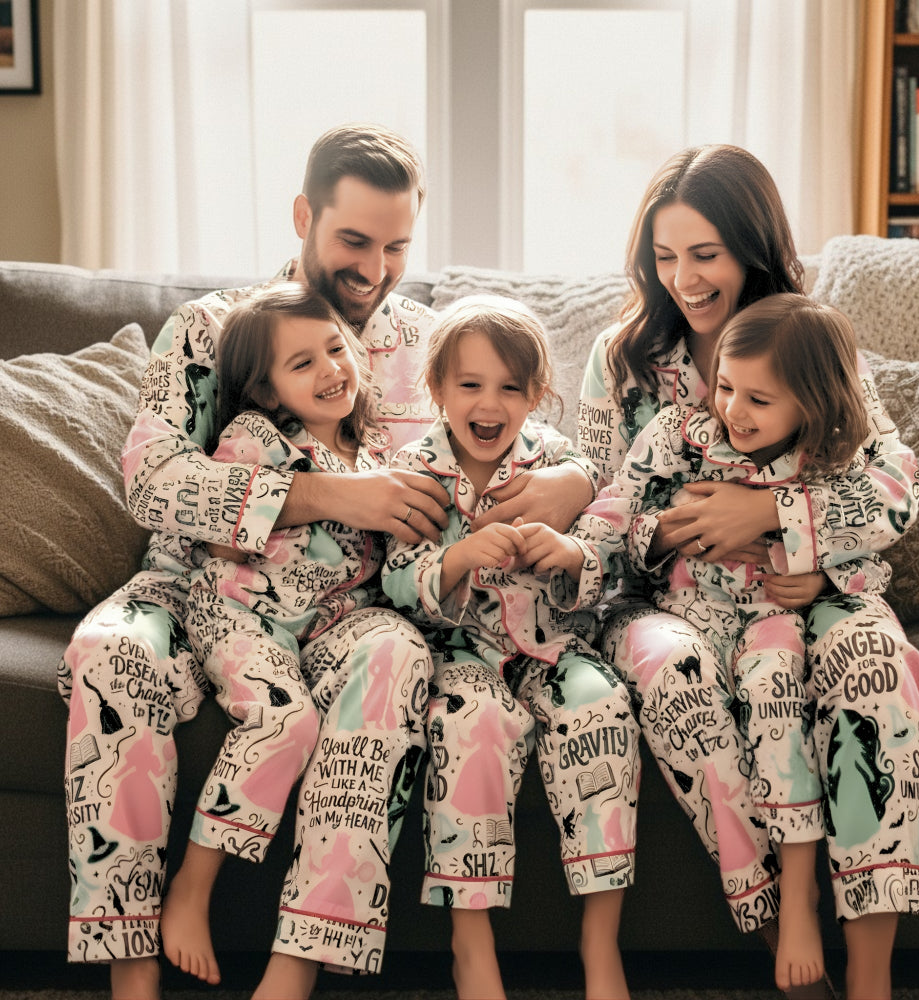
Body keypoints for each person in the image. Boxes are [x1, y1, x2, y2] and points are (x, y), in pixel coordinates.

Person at [60, 122, 596, 1000]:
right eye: (353, 240)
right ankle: (133, 968)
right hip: (200, 586)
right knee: (108, 653)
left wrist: (572, 481)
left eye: (396, 246)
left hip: (360, 604)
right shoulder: (214, 328)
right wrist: (332, 495)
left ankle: (298, 965)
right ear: (304, 214)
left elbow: (538, 428)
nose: (375, 269)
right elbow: (150, 480)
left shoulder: (430, 343)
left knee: (395, 657)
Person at [578, 144, 919, 1000]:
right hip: (671, 602)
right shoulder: (621, 362)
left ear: (752, 247)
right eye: (665, 257)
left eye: (705, 255)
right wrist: (682, 533)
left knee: (877, 672)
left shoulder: (803, 339)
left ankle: (872, 978)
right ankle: (785, 941)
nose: (684, 280)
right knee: (680, 678)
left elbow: (891, 482)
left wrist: (778, 520)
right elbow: (599, 510)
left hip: (812, 592)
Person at [381, 295, 640, 1000]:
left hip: (557, 650)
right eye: (470, 385)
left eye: (510, 388)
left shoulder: (558, 463)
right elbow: (394, 582)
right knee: (473, 727)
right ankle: (472, 944)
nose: (489, 403)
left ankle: (600, 939)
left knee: (603, 709)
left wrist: (566, 553)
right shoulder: (415, 472)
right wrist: (459, 558)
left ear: (536, 396)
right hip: (463, 658)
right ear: (436, 391)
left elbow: (608, 561)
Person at [158, 282, 394, 985]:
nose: (330, 369)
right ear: (263, 389)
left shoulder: (371, 453)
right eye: (303, 364)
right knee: (288, 724)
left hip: (318, 630)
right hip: (237, 612)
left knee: (357, 693)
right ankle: (191, 888)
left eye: (335, 348)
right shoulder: (254, 438)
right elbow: (225, 542)